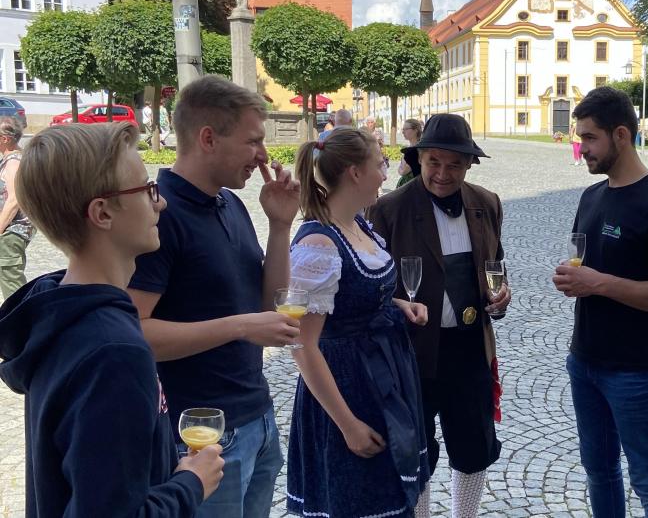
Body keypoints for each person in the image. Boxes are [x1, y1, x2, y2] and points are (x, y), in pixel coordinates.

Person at [0, 122, 224, 516]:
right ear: (102, 213)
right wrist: (192, 483)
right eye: (146, 190)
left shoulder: (57, 311)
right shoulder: (113, 350)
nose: (161, 203)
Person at [127, 75, 301, 518]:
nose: (264, 156)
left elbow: (269, 306)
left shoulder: (230, 203)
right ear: (208, 138)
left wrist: (280, 225)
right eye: (253, 141)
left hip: (256, 415)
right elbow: (133, 332)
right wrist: (239, 327)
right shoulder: (159, 213)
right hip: (201, 435)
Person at [368, 114, 511, 518]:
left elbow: (495, 265)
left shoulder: (487, 203)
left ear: (469, 165)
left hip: (469, 348)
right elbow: (372, 287)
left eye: (454, 164)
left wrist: (501, 295)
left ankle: (464, 515)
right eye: (434, 162)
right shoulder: (389, 209)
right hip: (412, 351)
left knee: (474, 445)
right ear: (418, 160)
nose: (443, 173)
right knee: (417, 450)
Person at [285, 129, 430, 516]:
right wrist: (347, 424)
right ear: (354, 172)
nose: (385, 173)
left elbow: (349, 298)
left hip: (382, 375)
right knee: (358, 500)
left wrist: (396, 304)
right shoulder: (319, 245)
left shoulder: (358, 224)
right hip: (347, 389)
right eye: (380, 164)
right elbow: (302, 346)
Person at [552, 86, 648, 518]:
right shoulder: (592, 196)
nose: (581, 147)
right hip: (584, 358)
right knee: (599, 470)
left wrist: (598, 283)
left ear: (621, 135)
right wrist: (576, 279)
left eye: (589, 138)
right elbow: (589, 268)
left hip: (636, 369)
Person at [0, 117, 33, 298]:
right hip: (11, 231)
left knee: (11, 284)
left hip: (12, 232)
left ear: (5, 139)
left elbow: (14, 200)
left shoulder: (13, 162)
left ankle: (21, 322)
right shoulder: (13, 158)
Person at [397, 118, 423, 188]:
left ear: (415, 130)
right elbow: (400, 170)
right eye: (403, 129)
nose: (403, 132)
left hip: (412, 185)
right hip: (406, 183)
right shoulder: (408, 148)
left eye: (406, 129)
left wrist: (401, 168)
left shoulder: (417, 149)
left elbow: (403, 171)